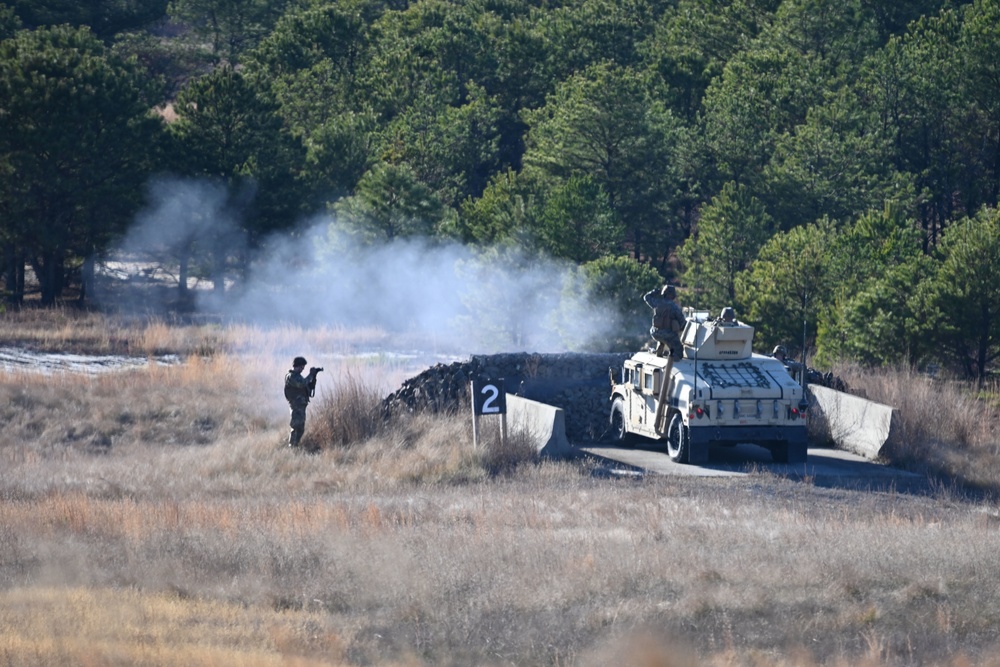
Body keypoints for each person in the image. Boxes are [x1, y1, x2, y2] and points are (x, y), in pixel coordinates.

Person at [284, 356, 322, 448]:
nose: (302, 369)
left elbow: (306, 385)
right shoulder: (291, 376)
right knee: (296, 426)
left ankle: (295, 445)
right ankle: (292, 447)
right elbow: (301, 384)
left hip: (300, 406)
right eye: (301, 367)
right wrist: (310, 375)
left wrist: (313, 377)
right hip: (296, 406)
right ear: (296, 366)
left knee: (300, 428)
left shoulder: (298, 376)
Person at [643, 284, 686, 359]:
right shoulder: (675, 307)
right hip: (668, 334)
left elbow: (646, 297)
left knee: (663, 336)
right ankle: (672, 358)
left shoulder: (657, 303)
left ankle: (660, 346)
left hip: (655, 332)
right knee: (679, 351)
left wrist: (655, 292)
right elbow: (682, 323)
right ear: (672, 295)